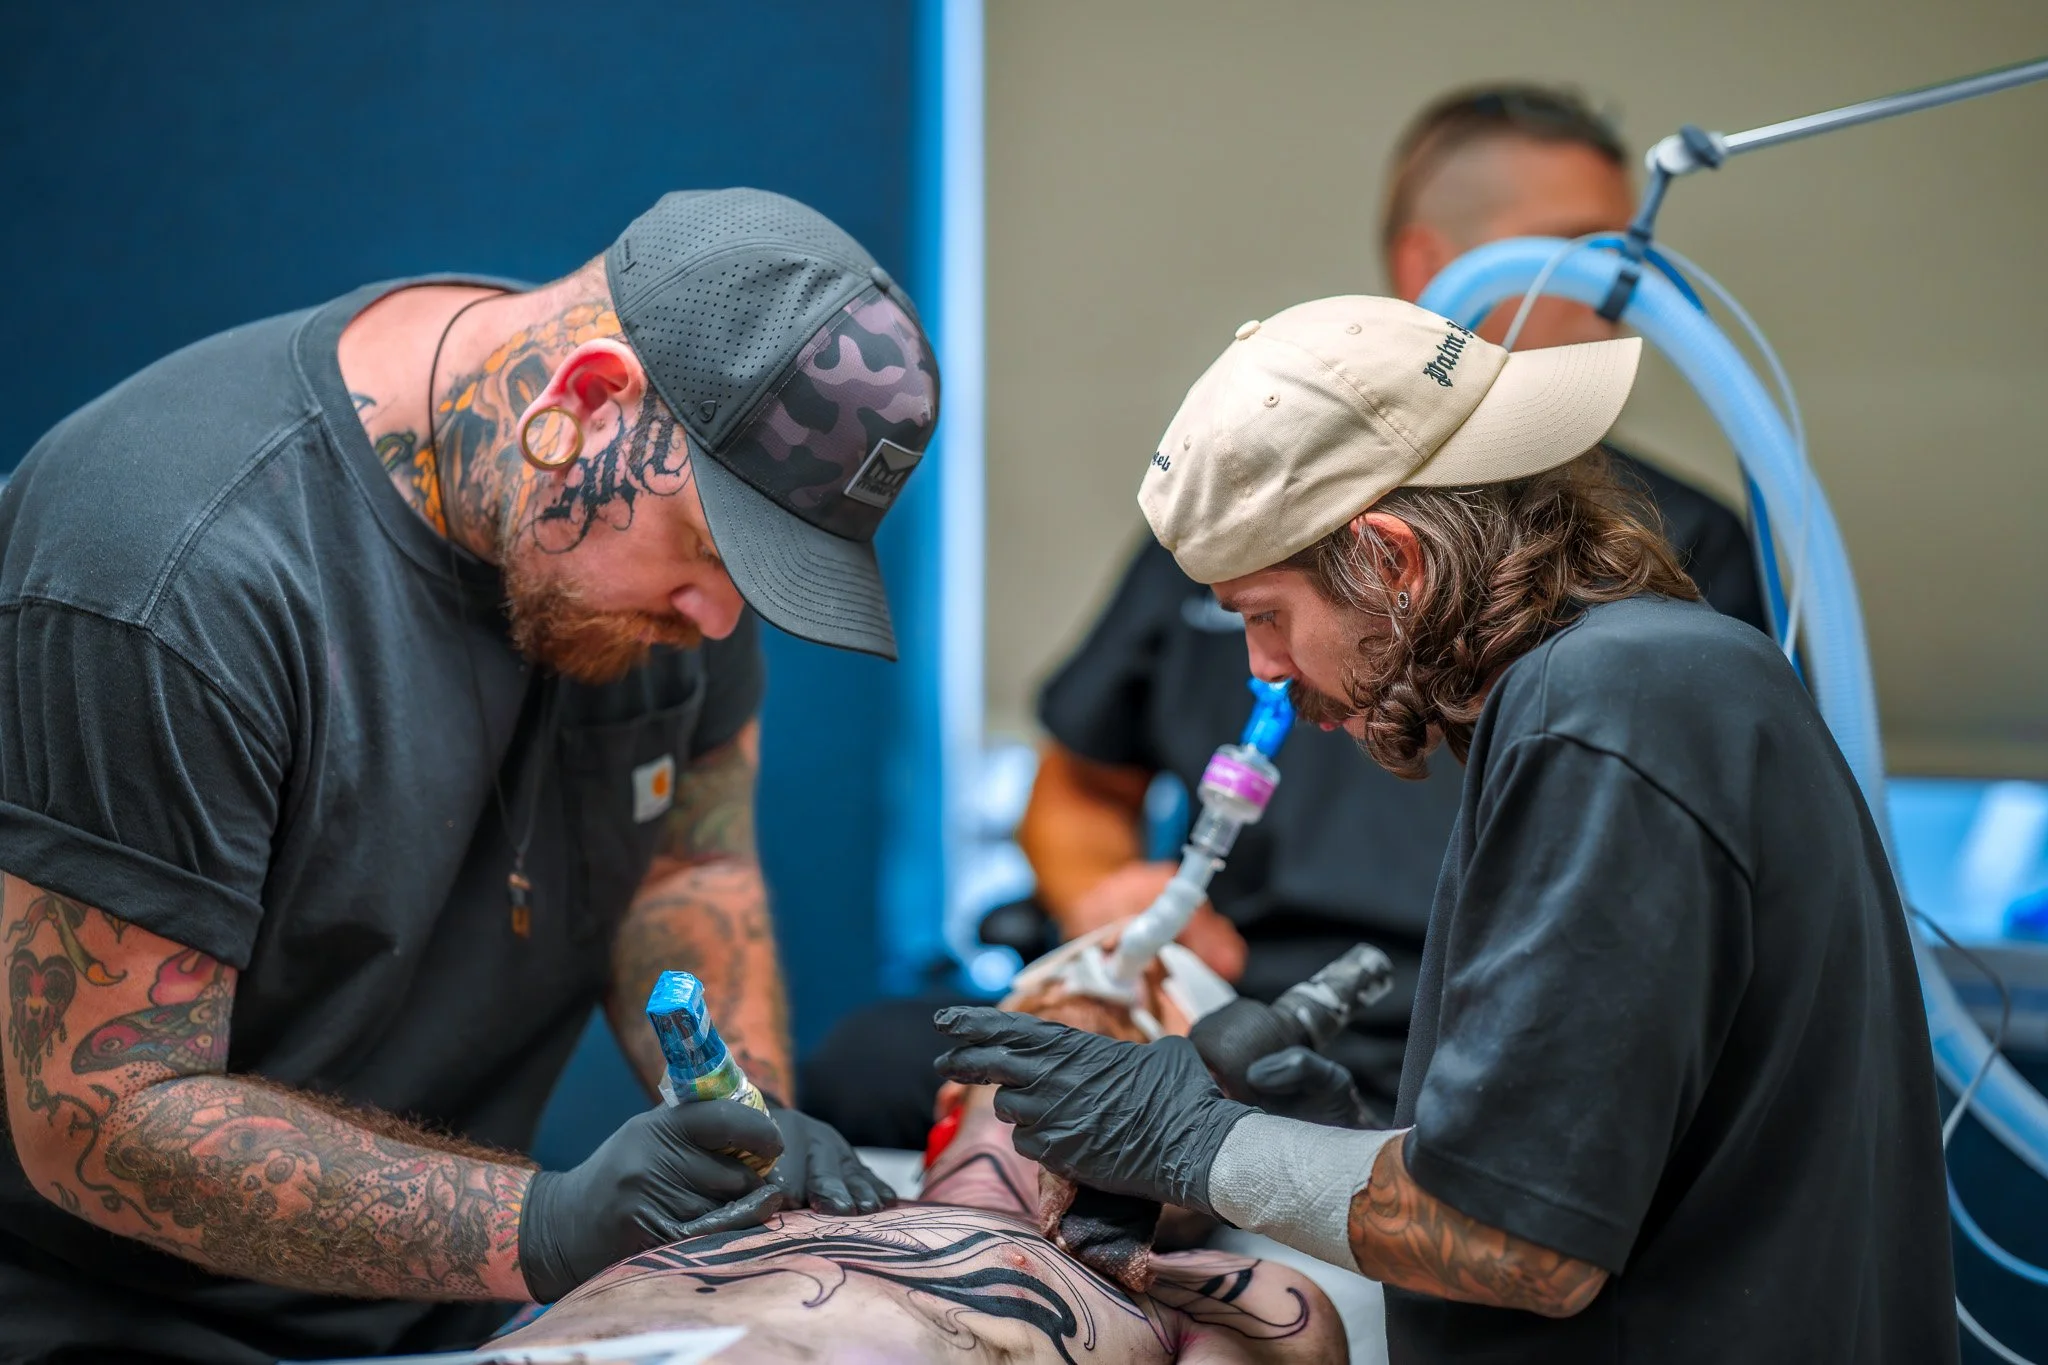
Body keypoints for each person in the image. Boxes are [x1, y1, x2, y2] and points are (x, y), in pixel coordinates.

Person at [0, 189, 931, 1364]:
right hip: (100, 1320)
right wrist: (545, 1224)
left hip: (448, 1313)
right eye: (707, 554)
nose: (715, 619)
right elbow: (103, 1114)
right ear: (584, 402)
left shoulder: (665, 540)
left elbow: (685, 866)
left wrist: (743, 1114)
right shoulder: (171, 573)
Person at [937, 294, 1955, 1362]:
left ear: (1393, 562)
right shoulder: (1651, 681)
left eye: (1266, 616)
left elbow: (1517, 1243)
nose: (1264, 671)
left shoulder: (1600, 713)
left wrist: (1196, 1142)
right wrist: (1362, 1146)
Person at [1018, 83, 1765, 1116]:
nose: (1616, 296)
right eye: (1575, 255)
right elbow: (1079, 782)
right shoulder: (1240, 513)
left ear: (1398, 565)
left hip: (1499, 1044)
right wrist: (1115, 906)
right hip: (1234, 1013)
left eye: (1624, 261)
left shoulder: (1659, 551)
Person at [489, 953, 1346, 1365]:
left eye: (1145, 1039)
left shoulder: (1219, 1298)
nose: (1105, 975)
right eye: (1050, 1002)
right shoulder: (740, 1195)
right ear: (948, 1106)